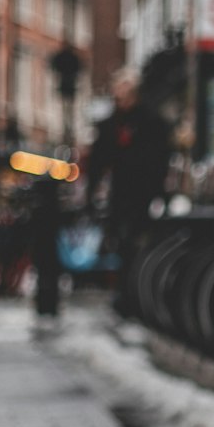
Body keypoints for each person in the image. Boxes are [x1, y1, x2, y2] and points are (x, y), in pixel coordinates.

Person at [87, 68, 170, 315]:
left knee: (139, 242)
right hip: (120, 192)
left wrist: (159, 192)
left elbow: (160, 159)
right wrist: (92, 192)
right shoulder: (111, 124)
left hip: (143, 192)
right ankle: (124, 292)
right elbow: (98, 160)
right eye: (117, 96)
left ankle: (135, 292)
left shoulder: (151, 122)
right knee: (121, 243)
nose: (119, 100)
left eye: (124, 95)